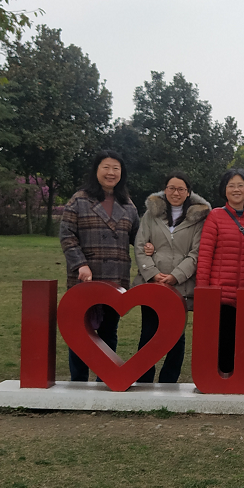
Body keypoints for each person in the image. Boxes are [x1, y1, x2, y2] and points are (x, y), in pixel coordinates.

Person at [59, 150, 140, 382]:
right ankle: (78, 381)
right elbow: (67, 235)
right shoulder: (79, 200)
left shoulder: (128, 204)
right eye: (106, 167)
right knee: (80, 333)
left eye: (116, 168)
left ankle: (105, 379)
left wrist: (149, 245)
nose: (111, 172)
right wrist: (80, 264)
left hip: (116, 279)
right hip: (85, 279)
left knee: (108, 332)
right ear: (96, 170)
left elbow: (138, 237)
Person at [132, 172, 211, 383]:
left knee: (176, 335)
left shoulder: (199, 219)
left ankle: (169, 381)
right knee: (148, 332)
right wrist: (152, 273)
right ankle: (144, 379)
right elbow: (140, 246)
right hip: (152, 285)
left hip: (180, 286)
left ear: (188, 193)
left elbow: (197, 253)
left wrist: (176, 276)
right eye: (171, 188)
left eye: (180, 189)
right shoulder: (150, 215)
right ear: (165, 190)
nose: (176, 193)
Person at [195, 168, 244, 374]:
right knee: (222, 340)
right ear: (224, 189)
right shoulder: (215, 216)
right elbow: (205, 255)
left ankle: (238, 381)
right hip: (220, 292)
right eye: (231, 185)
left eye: (240, 185)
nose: (236, 189)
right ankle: (221, 380)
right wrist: (203, 291)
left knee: (242, 343)